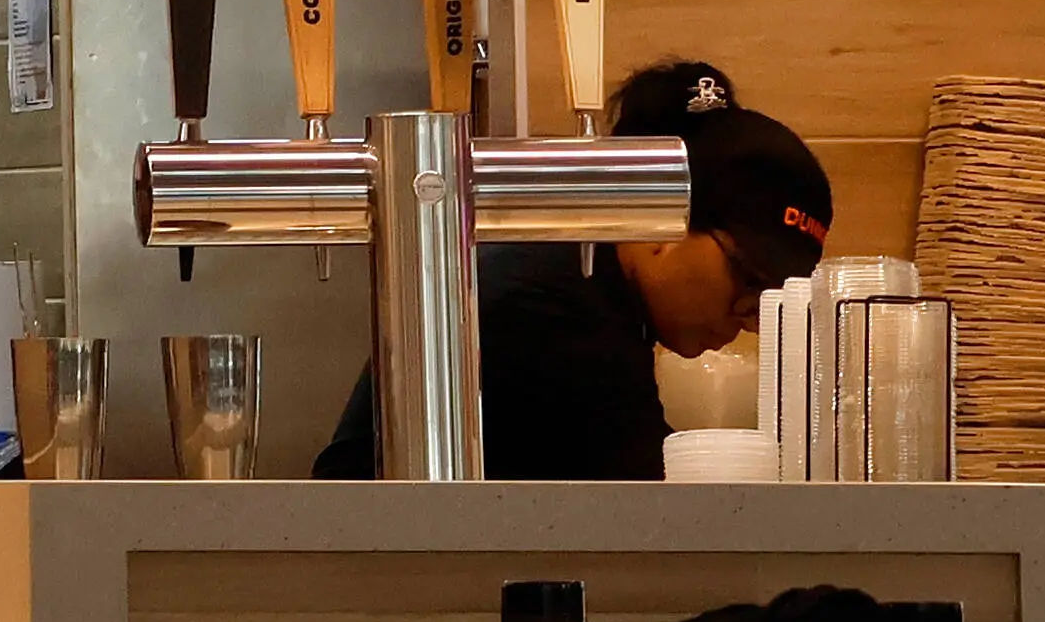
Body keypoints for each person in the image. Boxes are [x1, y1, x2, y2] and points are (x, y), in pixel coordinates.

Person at [315, 56, 837, 479]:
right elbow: (661, 526)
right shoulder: (556, 312)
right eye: (749, 281)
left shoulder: (581, 280)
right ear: (668, 220)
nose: (750, 319)